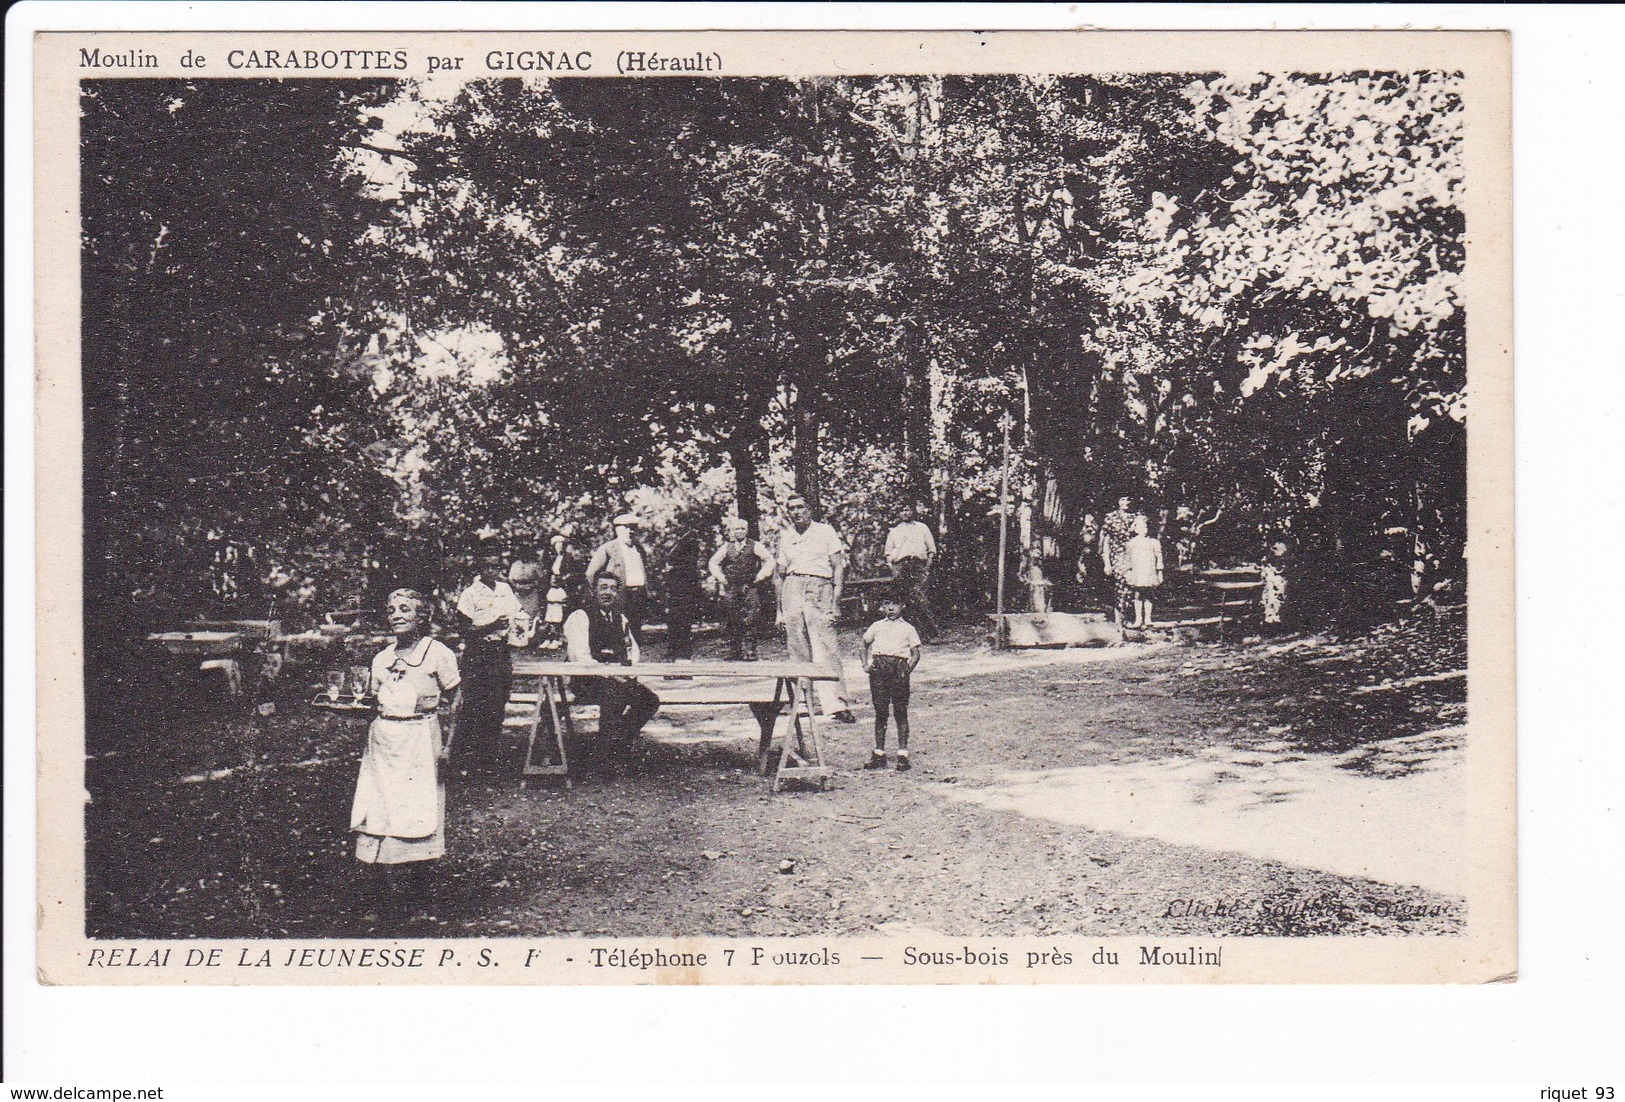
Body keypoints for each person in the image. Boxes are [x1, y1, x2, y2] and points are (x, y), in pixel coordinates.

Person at [351, 588, 460, 927]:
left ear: (422, 616)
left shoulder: (438, 653)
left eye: (405, 609)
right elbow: (372, 701)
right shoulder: (382, 658)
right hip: (383, 741)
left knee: (418, 813)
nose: (395, 614)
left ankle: (420, 899)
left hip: (419, 740)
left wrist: (449, 746)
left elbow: (459, 701)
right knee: (379, 814)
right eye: (391, 609)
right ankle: (381, 899)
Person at [774, 495, 856, 722]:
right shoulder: (787, 536)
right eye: (791, 508)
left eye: (800, 507)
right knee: (797, 648)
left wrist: (835, 602)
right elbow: (779, 574)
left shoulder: (825, 532)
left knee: (825, 647)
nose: (796, 512)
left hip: (819, 588)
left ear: (809, 510)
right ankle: (803, 704)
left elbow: (838, 567)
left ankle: (837, 705)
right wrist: (779, 611)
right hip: (792, 589)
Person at [563, 575, 661, 742]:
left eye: (613, 589)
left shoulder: (620, 618)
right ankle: (606, 756)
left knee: (649, 700)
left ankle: (618, 742)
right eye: (603, 587)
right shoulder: (580, 617)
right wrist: (611, 675)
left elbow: (631, 650)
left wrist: (627, 672)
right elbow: (580, 658)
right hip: (587, 680)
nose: (608, 593)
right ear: (593, 591)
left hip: (617, 679)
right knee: (614, 695)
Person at [454, 542, 521, 774]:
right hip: (477, 654)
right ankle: (460, 762)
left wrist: (525, 628)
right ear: (479, 568)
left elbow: (517, 616)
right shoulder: (470, 594)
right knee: (473, 706)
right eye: (488, 566)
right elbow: (463, 630)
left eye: (496, 566)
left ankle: (488, 762)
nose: (492, 571)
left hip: (499, 653)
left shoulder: (505, 589)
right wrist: (490, 626)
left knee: (497, 705)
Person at [859, 590, 923, 772]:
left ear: (903, 605)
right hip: (879, 668)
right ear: (883, 606)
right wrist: (865, 665)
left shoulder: (908, 628)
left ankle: (902, 754)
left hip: (899, 668)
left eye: (895, 603)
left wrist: (906, 670)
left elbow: (916, 653)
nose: (891, 607)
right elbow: (863, 644)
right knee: (881, 710)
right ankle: (879, 753)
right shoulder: (877, 626)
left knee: (900, 710)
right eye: (887, 603)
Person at [708, 517, 773, 660]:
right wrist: (721, 578)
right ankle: (734, 650)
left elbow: (769, 560)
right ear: (732, 531)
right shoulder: (726, 547)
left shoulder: (755, 545)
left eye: (742, 529)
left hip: (749, 586)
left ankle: (750, 650)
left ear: (747, 531)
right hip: (731, 587)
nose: (739, 531)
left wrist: (760, 576)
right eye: (737, 528)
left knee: (751, 616)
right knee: (731, 616)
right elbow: (713, 562)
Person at [586, 514, 653, 640]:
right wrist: (599, 593)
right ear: (617, 530)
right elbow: (591, 573)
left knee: (635, 627)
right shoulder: (608, 548)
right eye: (626, 528)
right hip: (620, 594)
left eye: (633, 528)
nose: (630, 531)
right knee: (617, 626)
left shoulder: (639, 549)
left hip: (638, 593)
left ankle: (633, 654)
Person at [883, 500, 940, 640]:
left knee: (920, 598)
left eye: (907, 509)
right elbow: (888, 552)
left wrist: (927, 565)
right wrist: (892, 567)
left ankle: (930, 634)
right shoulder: (895, 531)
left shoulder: (922, 528)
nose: (905, 513)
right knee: (903, 601)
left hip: (918, 565)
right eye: (902, 510)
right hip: (901, 566)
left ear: (912, 511)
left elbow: (931, 549)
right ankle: (907, 636)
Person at [662, 528, 706, 661]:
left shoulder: (676, 567)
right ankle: (679, 658)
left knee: (677, 632)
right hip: (682, 602)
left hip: (679, 602)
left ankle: (676, 657)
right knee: (681, 631)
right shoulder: (685, 569)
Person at [1099, 494, 1139, 629]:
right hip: (1117, 555)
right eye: (1123, 499)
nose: (1126, 502)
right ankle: (1119, 618)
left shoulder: (1137, 517)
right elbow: (1105, 541)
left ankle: (1131, 618)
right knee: (1121, 583)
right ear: (1117, 501)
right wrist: (1106, 562)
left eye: (1129, 499)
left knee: (1134, 585)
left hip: (1134, 555)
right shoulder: (1111, 517)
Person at [1123, 514, 1165, 629]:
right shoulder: (1132, 543)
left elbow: (1159, 557)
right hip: (1138, 571)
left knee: (1149, 594)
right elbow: (1128, 559)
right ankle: (1138, 619)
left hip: (1149, 571)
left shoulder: (1154, 542)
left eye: (1146, 527)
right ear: (1135, 529)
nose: (1144, 530)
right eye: (1140, 528)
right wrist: (1128, 572)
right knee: (1137, 594)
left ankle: (1148, 618)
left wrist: (1159, 571)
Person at [1261, 538, 1292, 630]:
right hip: (1271, 577)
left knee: (1280, 599)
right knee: (1270, 599)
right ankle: (1270, 622)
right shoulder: (1268, 547)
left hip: (1280, 579)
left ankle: (1279, 622)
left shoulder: (1285, 546)